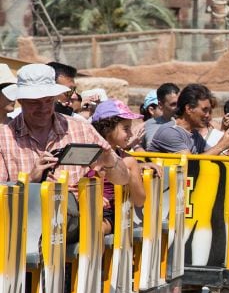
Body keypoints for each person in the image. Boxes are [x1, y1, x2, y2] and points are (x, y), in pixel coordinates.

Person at [0, 64, 129, 241]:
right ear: (20, 101)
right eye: (34, 102)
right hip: (21, 222)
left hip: (73, 221)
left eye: (48, 101)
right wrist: (31, 180)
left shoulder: (80, 129)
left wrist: (109, 161)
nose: (43, 108)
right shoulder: (4, 137)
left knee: (62, 202)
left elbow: (122, 179)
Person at [90, 99, 157, 233]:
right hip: (85, 207)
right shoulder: (87, 153)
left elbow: (139, 200)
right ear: (108, 129)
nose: (131, 134)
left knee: (95, 229)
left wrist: (132, 172)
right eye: (126, 129)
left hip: (109, 214)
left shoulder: (128, 160)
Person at [147, 83, 229, 155]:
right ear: (188, 109)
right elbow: (190, 164)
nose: (208, 116)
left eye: (209, 111)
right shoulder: (170, 132)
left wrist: (225, 141)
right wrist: (221, 146)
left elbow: (207, 155)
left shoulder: (195, 135)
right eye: (204, 110)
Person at [141, 82, 179, 149]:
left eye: (179, 103)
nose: (178, 107)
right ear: (161, 105)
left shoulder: (190, 122)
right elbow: (152, 152)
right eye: (173, 104)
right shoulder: (151, 125)